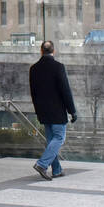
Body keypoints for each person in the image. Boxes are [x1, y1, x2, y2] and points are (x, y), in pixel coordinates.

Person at [29, 40, 77, 180]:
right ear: (53, 51)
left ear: (41, 51)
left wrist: (38, 111)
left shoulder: (34, 69)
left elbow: (34, 93)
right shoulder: (58, 67)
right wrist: (72, 110)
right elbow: (65, 90)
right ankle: (42, 164)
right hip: (57, 111)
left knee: (51, 141)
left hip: (43, 111)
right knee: (59, 138)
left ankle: (56, 170)